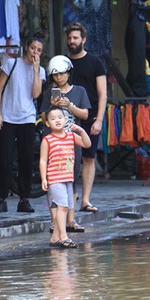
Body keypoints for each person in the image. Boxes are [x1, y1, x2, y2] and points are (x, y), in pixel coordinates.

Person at [0, 33, 46, 213]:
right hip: (7, 117)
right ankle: (1, 198)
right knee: (5, 159)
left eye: (39, 50)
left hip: (28, 118)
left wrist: (37, 70)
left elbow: (36, 95)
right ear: (26, 47)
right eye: (33, 48)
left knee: (26, 160)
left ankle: (24, 198)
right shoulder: (11, 64)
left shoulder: (41, 71)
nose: (35, 52)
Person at [40, 55, 90, 233]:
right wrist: (51, 107)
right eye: (55, 75)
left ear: (69, 72)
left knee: (71, 181)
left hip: (70, 143)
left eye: (61, 73)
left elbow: (84, 115)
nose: (58, 77)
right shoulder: (49, 93)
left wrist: (69, 106)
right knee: (54, 182)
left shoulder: (79, 91)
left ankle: (70, 220)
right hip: (53, 143)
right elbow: (43, 118)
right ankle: (55, 222)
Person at [65, 22, 108, 213]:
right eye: (69, 38)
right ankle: (70, 198)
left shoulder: (95, 62)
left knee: (89, 158)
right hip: (66, 118)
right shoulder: (62, 62)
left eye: (75, 38)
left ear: (83, 40)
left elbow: (103, 94)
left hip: (90, 118)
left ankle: (85, 200)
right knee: (69, 159)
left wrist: (99, 119)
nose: (72, 41)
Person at [40, 106, 91, 248]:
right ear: (47, 123)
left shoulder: (71, 136)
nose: (57, 120)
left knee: (66, 207)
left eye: (60, 117)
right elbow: (43, 160)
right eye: (53, 118)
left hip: (68, 178)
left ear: (66, 120)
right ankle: (64, 237)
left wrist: (80, 130)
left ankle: (55, 237)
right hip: (55, 179)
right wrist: (44, 178)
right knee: (62, 207)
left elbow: (87, 144)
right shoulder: (47, 140)